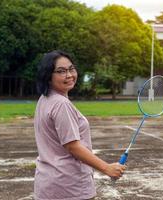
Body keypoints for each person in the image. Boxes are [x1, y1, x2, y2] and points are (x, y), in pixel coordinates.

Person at [34, 50, 126, 200]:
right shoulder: (61, 104)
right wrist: (107, 168)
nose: (69, 75)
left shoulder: (45, 99)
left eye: (71, 69)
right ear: (48, 76)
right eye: (61, 71)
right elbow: (73, 146)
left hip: (48, 184)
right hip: (69, 187)